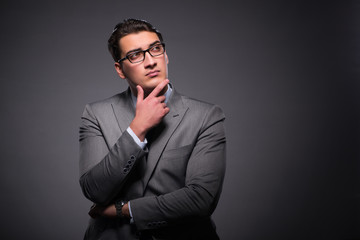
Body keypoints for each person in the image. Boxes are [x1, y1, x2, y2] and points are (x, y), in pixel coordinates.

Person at [79, 18, 226, 240]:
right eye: (135, 55)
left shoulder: (206, 116)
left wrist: (123, 209)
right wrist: (137, 129)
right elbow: (94, 190)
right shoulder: (96, 114)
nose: (150, 61)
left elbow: (201, 200)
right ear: (120, 69)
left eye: (155, 49)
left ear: (165, 56)